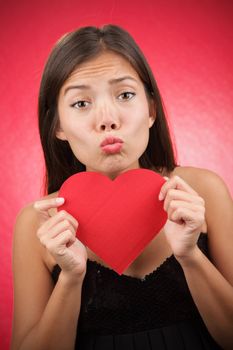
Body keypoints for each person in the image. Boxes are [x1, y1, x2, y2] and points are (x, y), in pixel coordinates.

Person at [11, 24, 233, 350]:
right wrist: (71, 278)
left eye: (125, 95)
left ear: (151, 110)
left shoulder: (204, 191)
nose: (107, 118)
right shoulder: (37, 223)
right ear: (57, 125)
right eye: (81, 103)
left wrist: (190, 256)